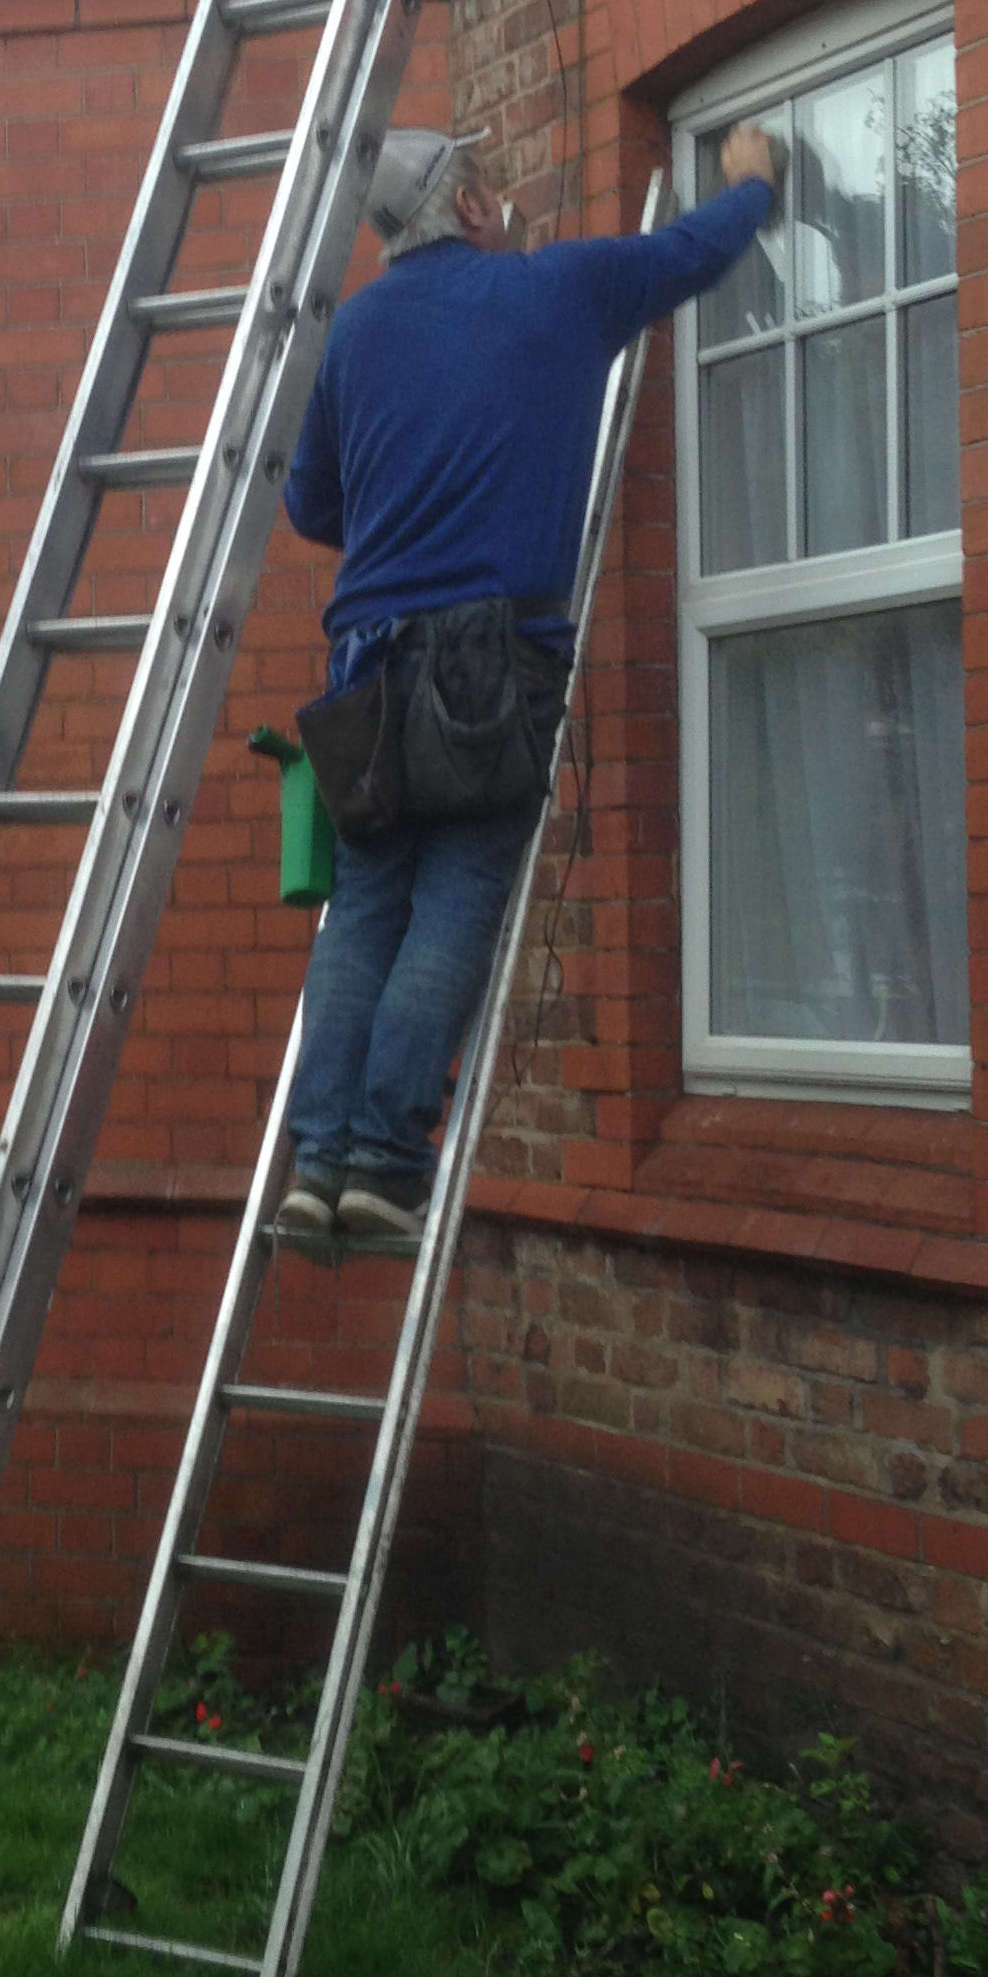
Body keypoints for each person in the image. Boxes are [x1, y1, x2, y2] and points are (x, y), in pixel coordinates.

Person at [276, 118, 782, 1245]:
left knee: (365, 913)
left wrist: (409, 479)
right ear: (465, 208)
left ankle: (318, 1164)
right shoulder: (558, 290)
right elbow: (690, 252)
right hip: (487, 665)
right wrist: (752, 185)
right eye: (489, 185)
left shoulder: (353, 335)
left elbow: (311, 506)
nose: (503, 198)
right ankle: (387, 1160)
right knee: (455, 899)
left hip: (362, 670)